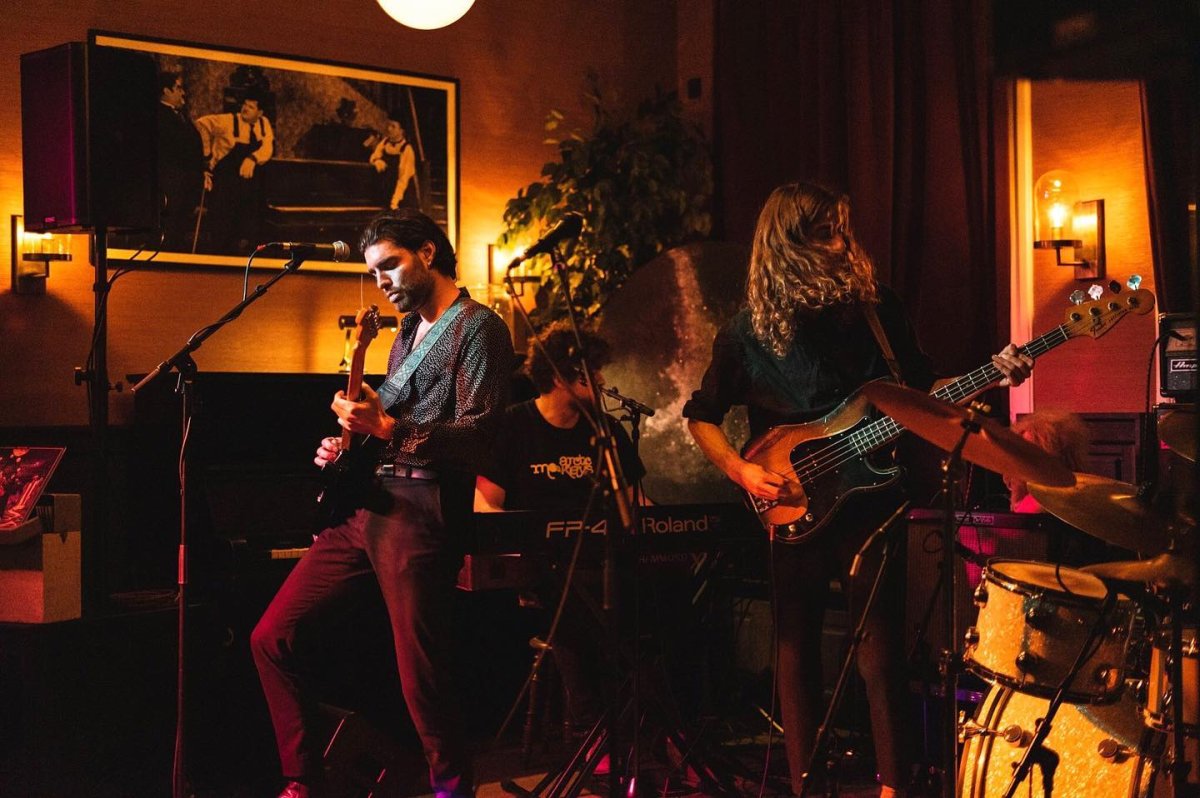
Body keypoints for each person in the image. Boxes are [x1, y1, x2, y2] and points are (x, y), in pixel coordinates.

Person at [683, 182, 1033, 798]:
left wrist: (991, 374)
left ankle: (894, 786)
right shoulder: (746, 333)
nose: (843, 242)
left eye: (843, 228)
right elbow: (701, 415)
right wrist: (741, 471)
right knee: (795, 643)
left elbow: (922, 391)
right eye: (826, 232)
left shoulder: (876, 309)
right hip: (791, 498)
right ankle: (806, 788)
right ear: (788, 243)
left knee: (881, 649)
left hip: (874, 499)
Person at [251, 209, 514, 798]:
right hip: (367, 500)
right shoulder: (405, 333)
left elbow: (479, 438)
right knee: (271, 635)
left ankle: (452, 791)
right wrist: (345, 448)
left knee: (422, 677)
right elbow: (383, 426)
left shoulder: (480, 328)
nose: (382, 282)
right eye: (373, 272)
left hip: (421, 506)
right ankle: (302, 779)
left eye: (390, 265)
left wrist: (388, 428)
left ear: (428, 252)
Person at [475, 322, 646, 742]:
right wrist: (517, 548)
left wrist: (676, 535)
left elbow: (635, 504)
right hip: (545, 567)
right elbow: (485, 504)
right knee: (573, 601)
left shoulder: (606, 432)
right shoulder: (512, 427)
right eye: (591, 372)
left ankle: (649, 729)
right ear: (558, 378)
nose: (601, 380)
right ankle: (592, 732)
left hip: (604, 561)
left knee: (657, 603)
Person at [194, 90, 275, 253]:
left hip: (248, 182)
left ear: (260, 113)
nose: (245, 108)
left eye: (251, 107)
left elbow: (268, 146)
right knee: (222, 222)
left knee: (247, 224)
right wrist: (206, 154)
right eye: (244, 104)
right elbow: (200, 124)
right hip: (225, 180)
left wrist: (252, 158)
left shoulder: (263, 123)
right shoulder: (228, 120)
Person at [155, 71, 208, 252]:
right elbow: (176, 149)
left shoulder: (181, 115)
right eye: (178, 88)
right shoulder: (159, 116)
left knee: (179, 233)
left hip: (185, 186)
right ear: (166, 90)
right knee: (169, 234)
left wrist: (202, 170)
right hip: (171, 186)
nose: (183, 92)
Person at [369, 120, 419, 211]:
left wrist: (394, 201)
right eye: (389, 125)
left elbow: (403, 178)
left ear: (401, 131)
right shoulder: (385, 142)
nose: (389, 129)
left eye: (393, 126)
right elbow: (374, 156)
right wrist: (377, 160)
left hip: (401, 194)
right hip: (387, 189)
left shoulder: (407, 149)